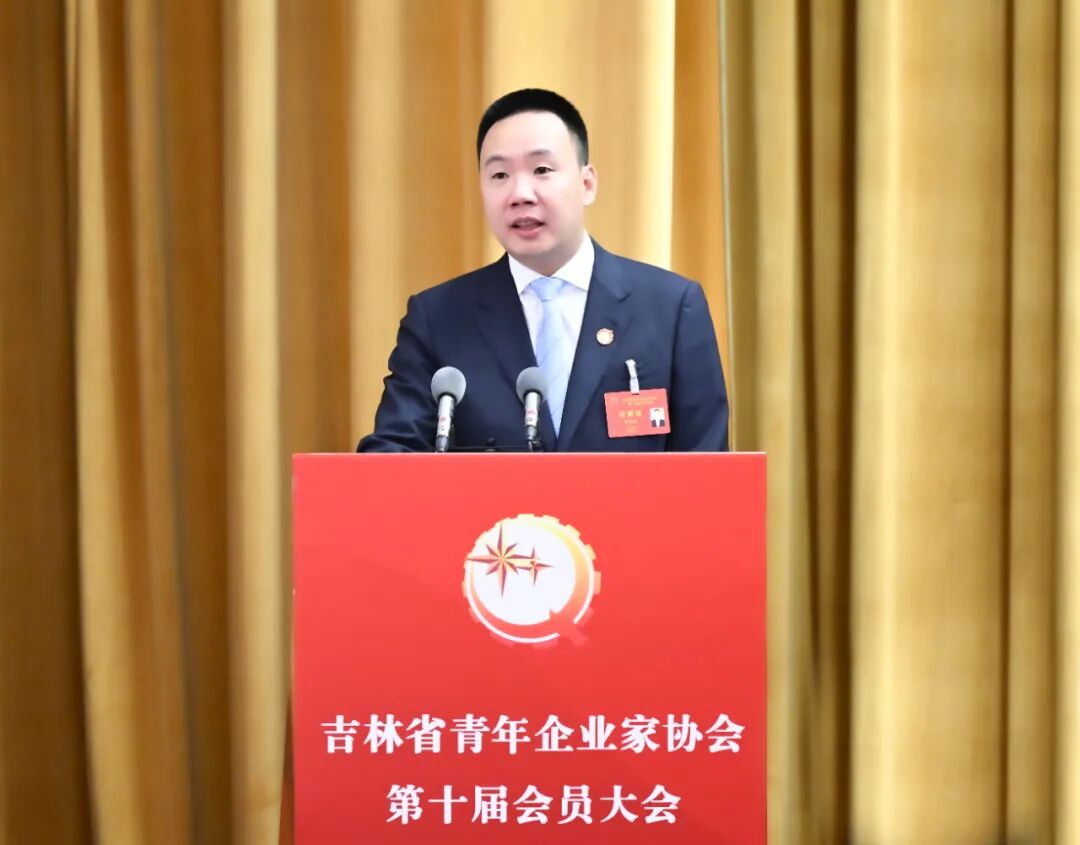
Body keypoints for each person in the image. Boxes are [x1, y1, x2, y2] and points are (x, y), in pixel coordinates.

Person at [357, 88, 728, 453]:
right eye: (499, 175)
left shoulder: (670, 308)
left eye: (542, 170)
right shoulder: (438, 318)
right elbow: (390, 457)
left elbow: (708, 468)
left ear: (587, 184)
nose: (520, 194)